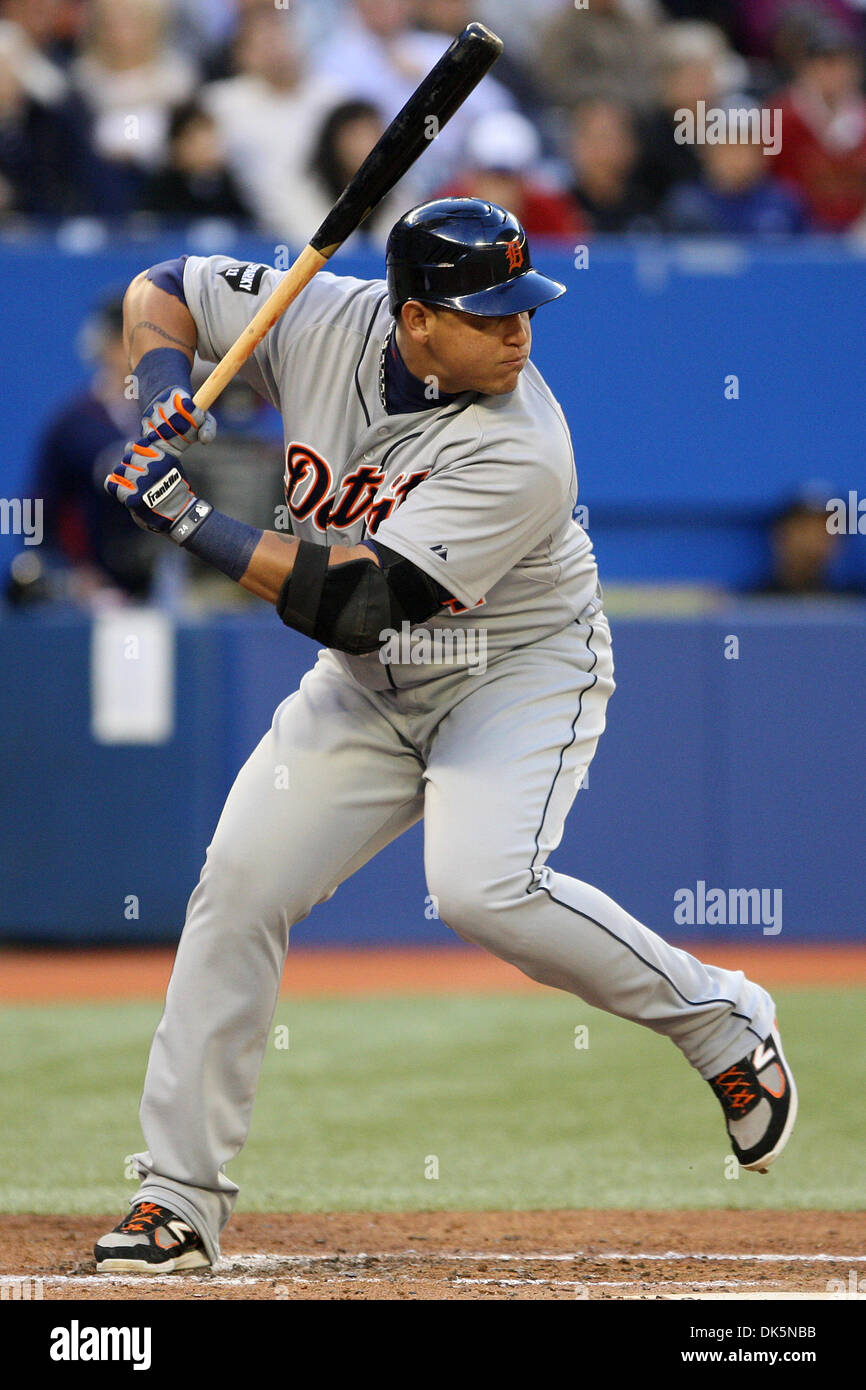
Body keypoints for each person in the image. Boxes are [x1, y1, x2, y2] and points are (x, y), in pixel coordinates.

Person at [92, 198, 797, 1274]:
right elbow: (164, 288)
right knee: (236, 884)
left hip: (512, 670)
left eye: (523, 309)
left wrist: (190, 517)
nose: (519, 331)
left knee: (480, 886)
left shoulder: (524, 446)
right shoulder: (319, 313)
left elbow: (354, 603)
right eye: (490, 312)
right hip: (368, 693)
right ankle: (178, 1198)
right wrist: (158, 395)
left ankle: (720, 1022)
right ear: (412, 319)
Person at [770, 19, 866, 232]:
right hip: (796, 231)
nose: (832, 74)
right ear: (805, 69)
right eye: (824, 64)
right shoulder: (780, 116)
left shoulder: (862, 116)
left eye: (840, 64)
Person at [662, 104, 807, 234]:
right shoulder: (687, 204)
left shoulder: (784, 203)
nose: (736, 158)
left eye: (746, 147)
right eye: (728, 147)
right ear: (707, 152)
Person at [140, 100, 252, 224]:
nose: (207, 148)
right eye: (197, 142)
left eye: (210, 141)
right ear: (177, 144)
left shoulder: (227, 185)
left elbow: (246, 225)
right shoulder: (162, 188)